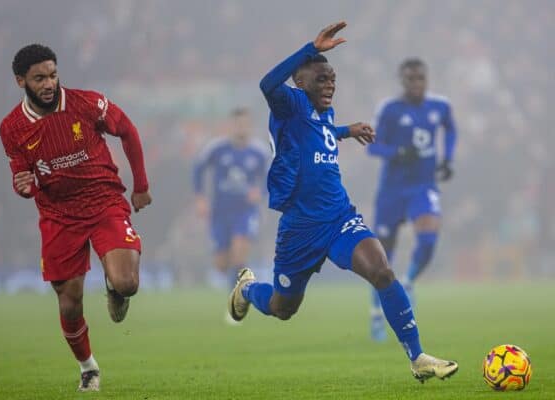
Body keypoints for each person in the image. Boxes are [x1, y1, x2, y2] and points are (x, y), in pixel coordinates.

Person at [228, 22, 458, 382]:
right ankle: (247, 289)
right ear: (301, 82)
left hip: (339, 218)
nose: (330, 84)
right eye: (321, 78)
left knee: (381, 270)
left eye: (332, 79)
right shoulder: (289, 104)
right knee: (282, 307)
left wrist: (346, 131)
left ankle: (417, 357)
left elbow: (319, 134)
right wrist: (309, 49)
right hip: (300, 228)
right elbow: (266, 84)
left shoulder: (325, 115)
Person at [0, 44, 152, 391]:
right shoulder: (11, 127)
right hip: (58, 215)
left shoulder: (86, 103)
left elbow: (127, 129)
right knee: (70, 301)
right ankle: (88, 368)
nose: (49, 83)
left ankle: (115, 286)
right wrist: (21, 186)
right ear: (21, 81)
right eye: (39, 78)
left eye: (53, 74)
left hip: (103, 201)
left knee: (128, 283)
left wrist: (140, 185)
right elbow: (22, 175)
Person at [367, 58, 457, 341]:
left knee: (429, 240)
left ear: (426, 79)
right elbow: (373, 147)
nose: (416, 83)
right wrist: (395, 152)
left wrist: (448, 159)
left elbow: (451, 129)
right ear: (402, 81)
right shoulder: (390, 110)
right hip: (392, 191)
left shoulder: (439, 106)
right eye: (410, 79)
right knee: (382, 258)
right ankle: (376, 313)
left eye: (420, 78)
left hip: (423, 186)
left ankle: (408, 281)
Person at [193, 109, 268, 300]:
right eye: (237, 124)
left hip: (245, 211)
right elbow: (198, 169)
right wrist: (200, 198)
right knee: (221, 264)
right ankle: (241, 286)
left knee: (239, 254)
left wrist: (261, 192)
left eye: (244, 124)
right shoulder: (217, 148)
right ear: (231, 126)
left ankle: (236, 301)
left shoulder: (259, 152)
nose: (241, 127)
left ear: (250, 126)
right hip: (220, 211)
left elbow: (274, 177)